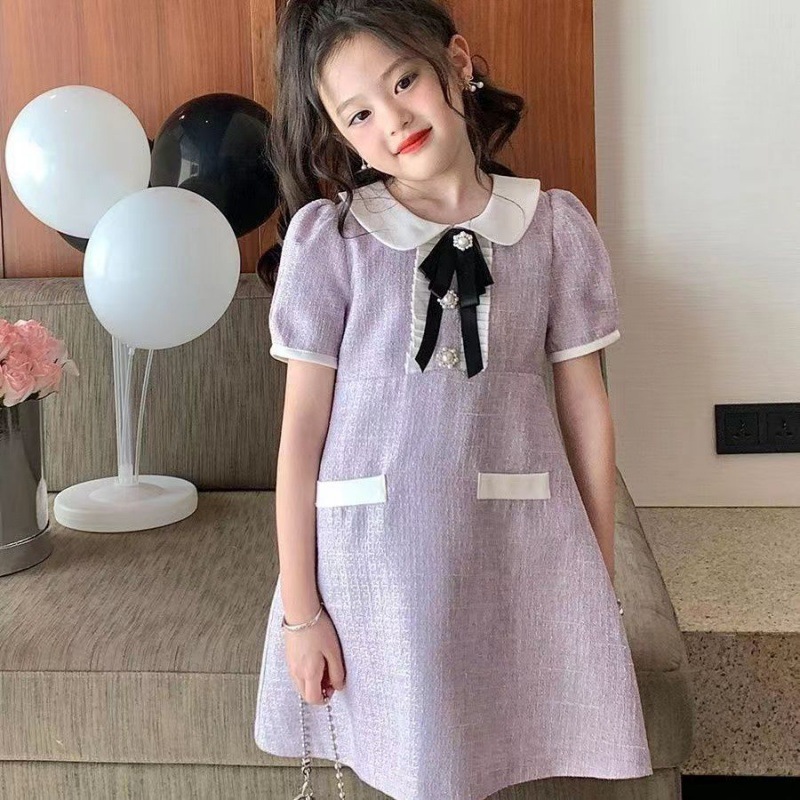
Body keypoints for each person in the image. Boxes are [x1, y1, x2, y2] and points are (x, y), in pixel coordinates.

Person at [253, 2, 653, 799]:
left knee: (492, 751)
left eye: (404, 81)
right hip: (372, 567)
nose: (393, 119)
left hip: (512, 548)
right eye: (358, 113)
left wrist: (593, 578)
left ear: (458, 64)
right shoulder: (333, 241)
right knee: (414, 758)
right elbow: (300, 436)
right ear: (339, 135)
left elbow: (586, 411)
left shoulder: (552, 228)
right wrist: (302, 615)